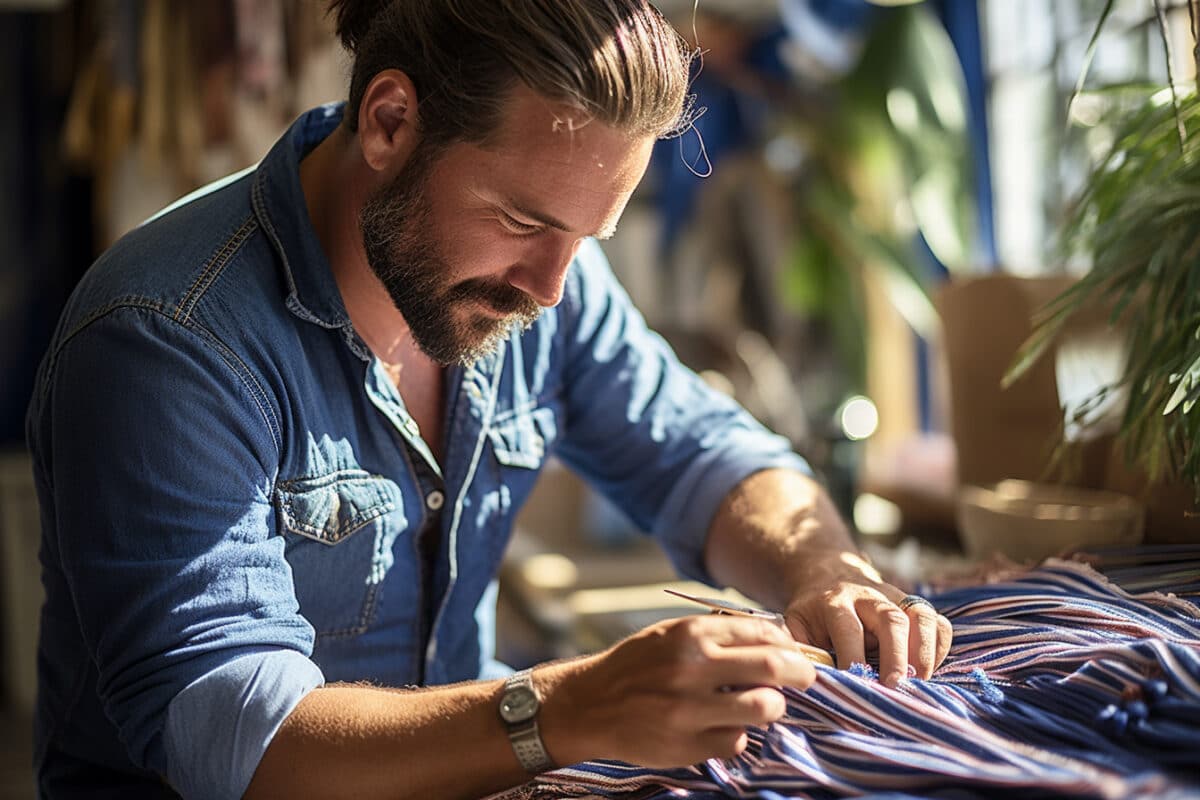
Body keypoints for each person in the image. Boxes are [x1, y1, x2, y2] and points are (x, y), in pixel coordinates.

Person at [27, 2, 953, 798]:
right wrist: (568, 706)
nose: (551, 288)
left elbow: (709, 453)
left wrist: (825, 568)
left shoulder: (536, 284)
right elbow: (233, 736)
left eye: (588, 237)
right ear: (390, 122)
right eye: (522, 221)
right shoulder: (166, 338)